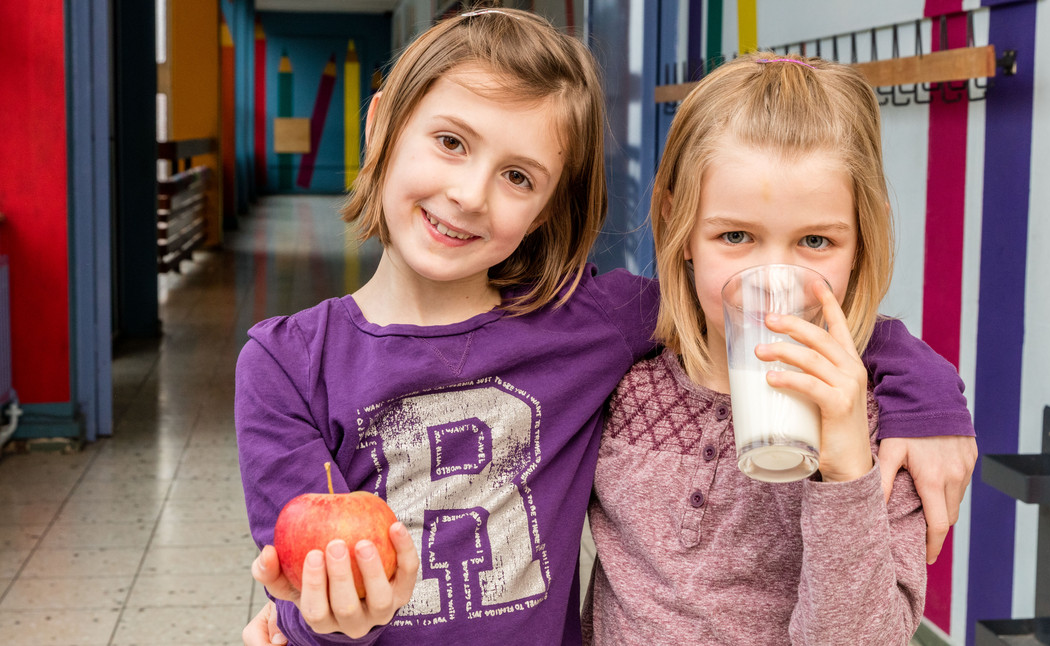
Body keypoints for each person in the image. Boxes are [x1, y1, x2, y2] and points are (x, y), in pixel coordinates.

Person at [237, 10, 973, 645]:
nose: (467, 194)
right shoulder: (283, 364)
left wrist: (929, 396)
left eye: (519, 176)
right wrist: (329, 618)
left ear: (549, 208)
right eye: (452, 142)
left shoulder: (588, 324)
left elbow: (769, 314)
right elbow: (304, 595)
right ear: (381, 126)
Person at [582, 53, 968, 644]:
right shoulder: (618, 379)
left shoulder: (889, 430)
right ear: (678, 223)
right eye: (735, 236)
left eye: (815, 240)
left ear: (863, 238)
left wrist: (845, 471)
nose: (773, 282)